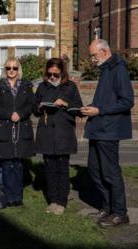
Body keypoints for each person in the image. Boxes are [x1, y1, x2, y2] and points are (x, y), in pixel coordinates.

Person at [81, 39, 134, 227]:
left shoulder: (118, 69)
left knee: (111, 172)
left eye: (94, 55)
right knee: (95, 170)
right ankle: (107, 208)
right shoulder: (105, 69)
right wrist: (91, 108)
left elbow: (127, 101)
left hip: (109, 130)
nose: (92, 60)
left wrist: (99, 110)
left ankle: (120, 213)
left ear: (104, 52)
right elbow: (105, 100)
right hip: (98, 129)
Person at [34, 58, 83, 215]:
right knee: (49, 169)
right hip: (47, 133)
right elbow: (34, 110)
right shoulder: (42, 87)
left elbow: (78, 109)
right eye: (50, 74)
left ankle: (62, 201)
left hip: (64, 133)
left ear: (62, 72)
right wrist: (40, 107)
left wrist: (66, 104)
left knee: (62, 169)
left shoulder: (71, 87)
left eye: (56, 74)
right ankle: (53, 200)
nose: (53, 77)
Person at [0, 57, 35, 207]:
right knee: (7, 163)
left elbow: (31, 105)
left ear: (18, 70)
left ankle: (18, 197)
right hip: (5, 128)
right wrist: (9, 114)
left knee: (18, 164)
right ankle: (9, 197)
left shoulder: (27, 85)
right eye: (8, 68)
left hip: (22, 128)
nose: (11, 71)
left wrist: (20, 114)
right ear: (5, 70)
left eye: (14, 68)